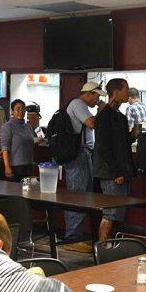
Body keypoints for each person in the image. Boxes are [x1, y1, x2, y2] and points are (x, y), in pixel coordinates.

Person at [61, 82, 104, 252]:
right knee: (77, 196)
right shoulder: (78, 104)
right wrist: (102, 109)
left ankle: (76, 236)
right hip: (77, 154)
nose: (98, 100)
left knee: (84, 194)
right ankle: (72, 238)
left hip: (84, 153)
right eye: (97, 96)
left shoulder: (80, 105)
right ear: (89, 94)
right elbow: (92, 123)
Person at [93, 79, 134, 242]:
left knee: (119, 212)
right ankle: (103, 248)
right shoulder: (104, 116)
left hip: (121, 171)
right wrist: (116, 172)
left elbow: (122, 144)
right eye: (126, 89)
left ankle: (112, 246)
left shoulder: (120, 117)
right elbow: (103, 148)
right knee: (111, 212)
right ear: (116, 92)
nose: (128, 93)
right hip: (110, 173)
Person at [0, 99, 35, 181]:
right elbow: (5, 148)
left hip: (28, 166)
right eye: (18, 109)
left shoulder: (28, 126)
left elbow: (30, 145)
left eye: (23, 109)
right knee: (15, 192)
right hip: (15, 167)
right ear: (12, 111)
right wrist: (7, 167)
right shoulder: (7, 126)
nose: (21, 111)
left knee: (27, 192)